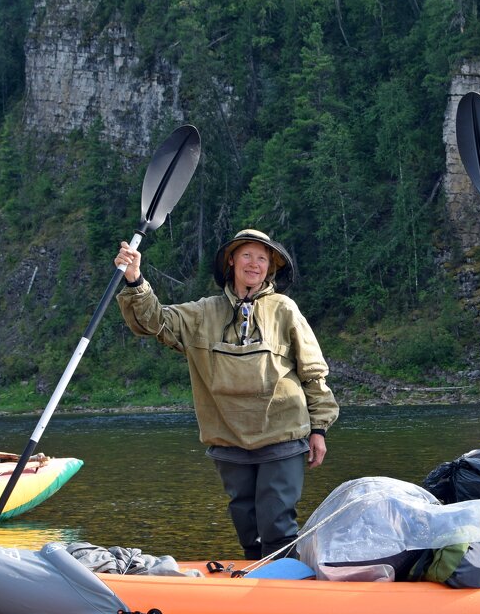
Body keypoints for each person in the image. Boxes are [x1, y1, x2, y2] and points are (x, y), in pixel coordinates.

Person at [115, 229, 339, 560]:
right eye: (247, 255)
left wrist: (319, 429)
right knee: (246, 522)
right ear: (231, 261)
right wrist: (135, 280)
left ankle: (286, 588)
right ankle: (253, 583)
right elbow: (154, 321)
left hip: (283, 435)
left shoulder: (285, 310)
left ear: (270, 268)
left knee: (277, 521)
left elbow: (313, 371)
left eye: (263, 258)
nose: (255, 264)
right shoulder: (202, 312)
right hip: (228, 438)